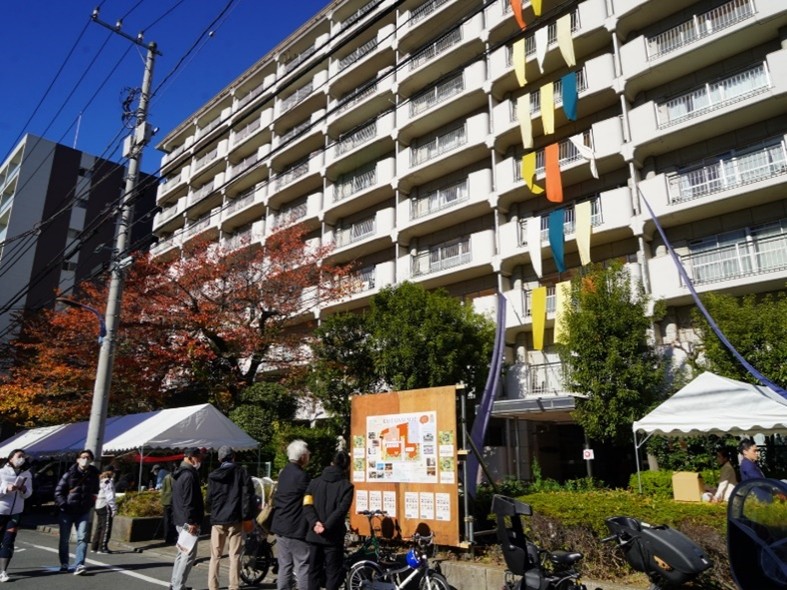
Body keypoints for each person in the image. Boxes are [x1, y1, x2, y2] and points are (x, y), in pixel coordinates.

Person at [303, 451, 354, 590]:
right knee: (333, 573)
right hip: (333, 536)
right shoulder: (347, 486)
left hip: (314, 534)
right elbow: (341, 510)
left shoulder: (314, 482)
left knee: (314, 571)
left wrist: (315, 522)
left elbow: (307, 504)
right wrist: (326, 525)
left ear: (332, 463)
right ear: (347, 467)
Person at [206, 446, 254, 590]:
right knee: (235, 555)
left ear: (219, 459)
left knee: (215, 555)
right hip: (235, 518)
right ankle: (234, 586)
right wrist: (247, 516)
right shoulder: (242, 472)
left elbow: (209, 499)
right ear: (233, 457)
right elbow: (248, 496)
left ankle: (213, 586)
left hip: (217, 519)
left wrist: (211, 511)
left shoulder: (213, 475)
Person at [271, 440, 311, 590]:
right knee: (303, 564)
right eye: (307, 454)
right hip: (295, 527)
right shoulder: (302, 476)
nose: (309, 456)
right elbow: (310, 499)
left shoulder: (284, 472)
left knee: (284, 565)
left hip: (280, 524)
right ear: (302, 456)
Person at [54, 449, 100, 575]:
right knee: (64, 539)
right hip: (67, 511)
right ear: (78, 459)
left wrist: (91, 503)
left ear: (91, 460)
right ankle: (64, 563)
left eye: (88, 458)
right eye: (83, 457)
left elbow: (95, 491)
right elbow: (58, 492)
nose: (85, 460)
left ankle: (79, 564)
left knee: (82, 538)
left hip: (83, 511)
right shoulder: (69, 474)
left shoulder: (94, 475)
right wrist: (64, 504)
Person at [170, 447, 205, 590]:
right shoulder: (189, 475)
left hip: (180, 518)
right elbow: (189, 500)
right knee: (188, 555)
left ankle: (175, 583)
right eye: (199, 457)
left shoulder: (180, 473)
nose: (200, 460)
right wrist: (192, 522)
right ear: (191, 458)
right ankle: (178, 586)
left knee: (182, 552)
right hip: (188, 521)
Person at [0, 449, 33, 583]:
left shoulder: (27, 474)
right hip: (1, 511)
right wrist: (5, 489)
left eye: (23, 456)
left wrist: (24, 490)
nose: (22, 459)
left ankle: (3, 571)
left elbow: (29, 493)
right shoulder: (1, 472)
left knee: (8, 541)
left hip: (16, 512)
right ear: (11, 458)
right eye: (19, 456)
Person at [91, 465, 117, 553]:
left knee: (99, 526)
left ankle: (94, 546)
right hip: (105, 505)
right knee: (106, 527)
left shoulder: (99, 480)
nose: (114, 473)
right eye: (113, 471)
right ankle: (102, 547)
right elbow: (110, 496)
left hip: (98, 504)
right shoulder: (107, 482)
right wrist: (113, 508)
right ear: (110, 472)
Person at [160, 468, 177, 544]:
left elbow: (163, 489)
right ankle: (171, 537)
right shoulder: (175, 478)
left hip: (166, 501)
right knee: (172, 520)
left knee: (167, 520)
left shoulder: (166, 477)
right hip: (173, 501)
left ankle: (166, 536)